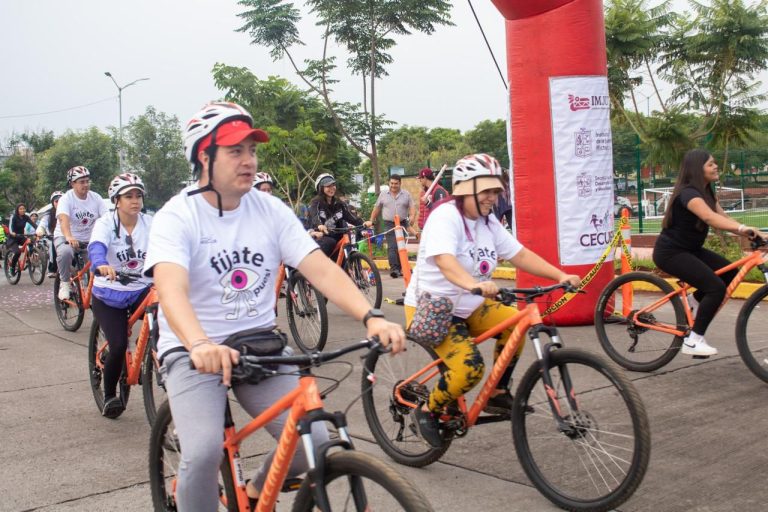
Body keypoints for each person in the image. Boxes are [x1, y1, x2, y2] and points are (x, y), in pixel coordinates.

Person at [144, 101, 405, 510]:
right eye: (236, 151)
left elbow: (319, 268)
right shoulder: (178, 216)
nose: (249, 161)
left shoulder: (268, 209)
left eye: (252, 150)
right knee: (204, 450)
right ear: (203, 156)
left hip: (257, 343)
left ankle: (250, 495)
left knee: (314, 440)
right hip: (195, 350)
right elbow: (170, 288)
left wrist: (370, 316)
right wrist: (197, 343)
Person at [404, 153, 580, 447]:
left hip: (471, 305)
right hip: (434, 309)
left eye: (496, 190)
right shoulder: (445, 217)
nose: (493, 197)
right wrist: (473, 284)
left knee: (515, 322)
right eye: (486, 190)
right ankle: (426, 411)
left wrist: (559, 275)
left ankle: (497, 394)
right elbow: (446, 262)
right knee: (469, 369)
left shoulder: (488, 223)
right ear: (465, 188)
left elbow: (519, 254)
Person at [652, 149, 762, 357]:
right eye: (711, 164)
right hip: (670, 253)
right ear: (697, 168)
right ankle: (693, 341)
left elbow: (724, 219)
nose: (716, 166)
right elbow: (710, 218)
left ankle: (693, 303)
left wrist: (751, 232)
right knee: (715, 288)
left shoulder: (707, 192)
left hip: (691, 250)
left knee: (730, 274)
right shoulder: (688, 194)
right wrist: (742, 230)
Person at [88, 173, 153, 418]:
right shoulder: (105, 224)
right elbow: (96, 247)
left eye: (138, 195)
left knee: (170, 320)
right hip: (109, 294)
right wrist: (101, 263)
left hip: (142, 289)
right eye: (128, 196)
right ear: (116, 200)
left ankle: (153, 346)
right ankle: (109, 396)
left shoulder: (150, 222)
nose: (135, 201)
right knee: (116, 345)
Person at [54, 166, 108, 300]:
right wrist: (69, 236)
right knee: (65, 252)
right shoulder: (66, 199)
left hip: (88, 239)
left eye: (87, 181)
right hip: (66, 236)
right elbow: (63, 220)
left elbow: (107, 219)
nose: (86, 184)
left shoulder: (96, 198)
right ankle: (65, 283)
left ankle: (97, 294)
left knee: (100, 262)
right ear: (72, 183)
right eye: (81, 182)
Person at [309, 173, 372, 257]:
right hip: (320, 237)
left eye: (333, 185)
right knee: (329, 242)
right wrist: (320, 225)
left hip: (337, 236)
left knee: (346, 245)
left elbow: (351, 217)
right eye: (328, 186)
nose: (332, 188)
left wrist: (363, 223)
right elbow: (314, 216)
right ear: (321, 188)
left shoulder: (339, 204)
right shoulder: (316, 202)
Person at [369, 174, 416, 278]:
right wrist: (371, 220)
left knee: (401, 246)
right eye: (392, 183)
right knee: (392, 246)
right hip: (389, 223)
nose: (393, 186)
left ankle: (401, 268)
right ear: (389, 183)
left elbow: (412, 207)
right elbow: (377, 208)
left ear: (400, 183)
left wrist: (412, 217)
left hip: (402, 223)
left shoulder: (406, 194)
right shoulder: (383, 194)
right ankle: (394, 269)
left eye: (396, 183)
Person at [36, 191, 63, 277]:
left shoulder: (70, 211)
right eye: (56, 201)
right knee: (53, 245)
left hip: (68, 236)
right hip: (52, 237)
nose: (59, 203)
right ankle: (52, 268)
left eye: (61, 200)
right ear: (53, 203)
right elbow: (42, 224)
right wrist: (40, 230)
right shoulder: (48, 214)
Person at [7, 203, 37, 270]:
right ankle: (12, 266)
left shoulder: (26, 217)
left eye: (23, 209)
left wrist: (39, 230)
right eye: (20, 209)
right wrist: (12, 233)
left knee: (31, 242)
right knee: (18, 252)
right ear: (17, 210)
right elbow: (10, 227)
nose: (22, 210)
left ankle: (27, 260)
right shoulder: (14, 217)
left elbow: (33, 224)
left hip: (21, 237)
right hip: (13, 238)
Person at [417, 167, 448, 231]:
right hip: (426, 229)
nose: (420, 180)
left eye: (420, 178)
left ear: (425, 178)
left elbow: (441, 211)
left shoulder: (439, 191)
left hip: (437, 230)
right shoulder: (424, 192)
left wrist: (428, 203)